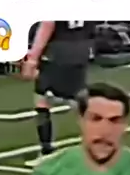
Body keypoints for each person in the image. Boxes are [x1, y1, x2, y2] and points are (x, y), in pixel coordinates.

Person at [21, 20, 95, 164]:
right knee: (79, 100)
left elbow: (47, 24)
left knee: (43, 100)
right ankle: (98, 143)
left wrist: (33, 58)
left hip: (57, 52)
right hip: (81, 50)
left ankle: (47, 151)